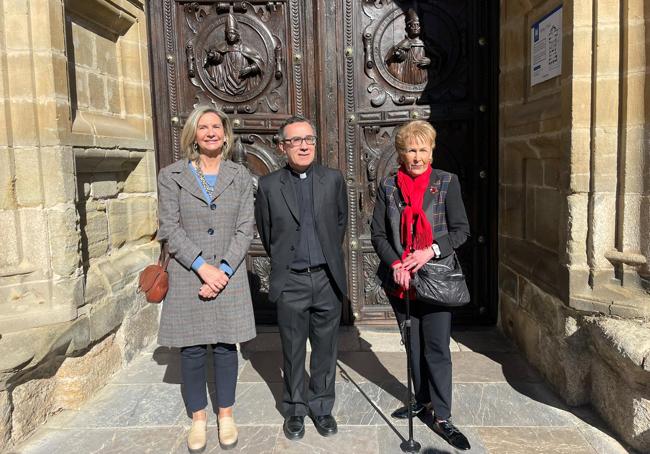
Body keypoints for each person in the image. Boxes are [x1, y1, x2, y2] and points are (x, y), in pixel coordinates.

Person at [157, 105, 256, 453]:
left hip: (228, 276)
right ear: (193, 135)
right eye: (203, 127)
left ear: (226, 134)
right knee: (194, 348)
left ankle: (225, 414)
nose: (211, 132)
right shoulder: (172, 176)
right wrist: (203, 267)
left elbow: (245, 228)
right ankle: (199, 418)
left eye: (217, 126)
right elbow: (169, 227)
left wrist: (223, 270)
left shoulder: (240, 176)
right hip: (189, 275)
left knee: (228, 346)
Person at [370, 120, 471, 450]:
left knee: (437, 348)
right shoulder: (389, 187)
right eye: (410, 150)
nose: (416, 156)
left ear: (432, 151)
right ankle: (423, 400)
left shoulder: (446, 183)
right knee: (412, 345)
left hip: (437, 278)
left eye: (422, 150)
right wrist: (397, 263)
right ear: (401, 153)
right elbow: (379, 235)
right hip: (402, 281)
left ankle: (442, 415)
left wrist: (430, 250)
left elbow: (460, 231)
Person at [254, 116, 348, 440]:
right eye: (296, 140)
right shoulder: (268, 186)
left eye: (309, 138)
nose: (305, 145)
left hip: (326, 279)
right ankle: (295, 409)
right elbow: (268, 235)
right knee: (293, 350)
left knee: (325, 350)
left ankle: (321, 407)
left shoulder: (333, 180)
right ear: (282, 146)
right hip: (291, 281)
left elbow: (340, 223)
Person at [204, 13, 264, 96]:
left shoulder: (245, 48)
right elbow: (220, 59)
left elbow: (259, 63)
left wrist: (250, 68)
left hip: (244, 81)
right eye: (228, 33)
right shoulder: (223, 46)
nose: (230, 36)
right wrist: (213, 56)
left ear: (237, 34)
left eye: (232, 33)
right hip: (226, 80)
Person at [385, 9, 431, 85]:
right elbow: (392, 57)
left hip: (422, 74)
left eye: (418, 25)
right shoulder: (404, 43)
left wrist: (430, 61)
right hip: (407, 73)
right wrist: (398, 52)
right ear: (407, 28)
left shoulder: (426, 43)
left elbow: (439, 57)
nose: (416, 27)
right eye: (413, 25)